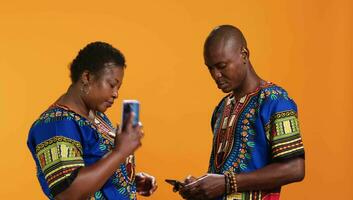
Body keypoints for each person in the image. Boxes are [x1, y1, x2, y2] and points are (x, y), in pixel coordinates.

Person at [179, 25, 305, 200]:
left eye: (222, 66)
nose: (216, 75)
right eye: (210, 68)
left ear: (244, 55)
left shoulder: (275, 101)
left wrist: (227, 183)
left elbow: (295, 168)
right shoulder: (222, 108)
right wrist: (201, 188)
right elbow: (225, 173)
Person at [27, 41, 157, 200]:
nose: (116, 94)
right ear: (87, 77)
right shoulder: (56, 125)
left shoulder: (97, 116)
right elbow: (68, 194)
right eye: (111, 85)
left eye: (118, 88)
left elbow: (95, 168)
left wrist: (128, 181)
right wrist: (121, 152)